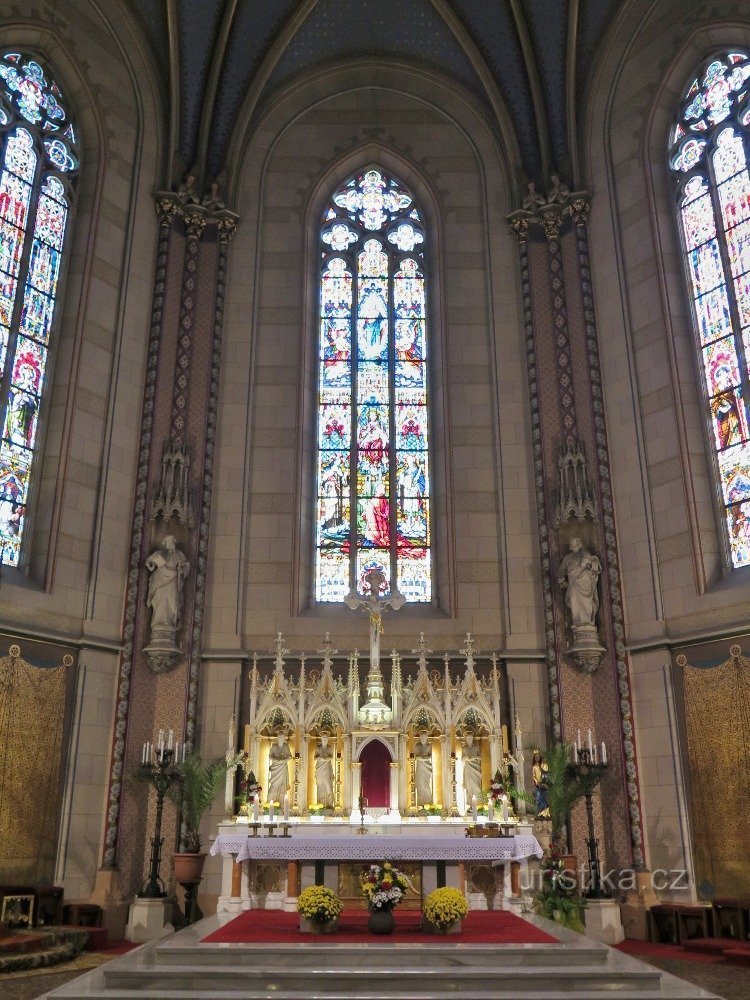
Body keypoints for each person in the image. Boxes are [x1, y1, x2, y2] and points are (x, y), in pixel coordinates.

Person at [145, 534, 189, 634]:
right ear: (165, 543)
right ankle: (158, 623)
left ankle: (170, 623)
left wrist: (181, 570)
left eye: (173, 541)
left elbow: (186, 565)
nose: (172, 543)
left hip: (173, 579)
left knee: (172, 601)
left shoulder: (179, 554)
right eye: (169, 541)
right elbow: (148, 561)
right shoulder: (160, 553)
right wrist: (151, 562)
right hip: (160, 579)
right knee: (160, 600)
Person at [557, 537, 602, 628]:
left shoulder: (586, 554)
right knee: (574, 602)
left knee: (587, 602)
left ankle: (588, 622)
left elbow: (593, 568)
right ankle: (577, 622)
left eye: (575, 545)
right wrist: (561, 579)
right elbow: (561, 570)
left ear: (579, 544)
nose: (574, 547)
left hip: (585, 582)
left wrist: (588, 566)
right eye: (572, 546)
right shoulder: (567, 558)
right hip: (573, 583)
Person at [267, 731, 292, 804]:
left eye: (282, 737)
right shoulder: (274, 746)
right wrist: (275, 759)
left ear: (284, 738)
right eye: (280, 737)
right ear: (277, 738)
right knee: (274, 785)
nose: (281, 738)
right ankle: (270, 802)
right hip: (275, 767)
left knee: (282, 785)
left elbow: (289, 756)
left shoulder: (286, 746)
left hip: (283, 767)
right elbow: (270, 755)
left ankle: (282, 803)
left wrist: (282, 760)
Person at [314, 731, 335, 808]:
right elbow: (315, 757)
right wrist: (319, 758)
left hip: (326, 768)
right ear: (321, 738)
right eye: (324, 738)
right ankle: (320, 804)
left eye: (326, 738)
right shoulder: (318, 748)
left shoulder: (329, 747)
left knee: (328, 784)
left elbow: (331, 757)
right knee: (320, 785)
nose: (325, 739)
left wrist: (325, 758)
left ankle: (330, 803)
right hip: (320, 768)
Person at [461, 731, 482, 806]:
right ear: (466, 739)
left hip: (475, 768)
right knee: (469, 785)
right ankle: (470, 803)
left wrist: (475, 757)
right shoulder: (464, 748)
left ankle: (478, 802)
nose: (469, 740)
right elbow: (462, 759)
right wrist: (465, 758)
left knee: (476, 784)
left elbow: (480, 757)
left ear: (472, 739)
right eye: (468, 739)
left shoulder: (476, 747)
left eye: (470, 738)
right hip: (468, 768)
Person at [413, 730, 433, 805]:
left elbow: (430, 756)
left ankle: (428, 802)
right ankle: (421, 803)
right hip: (420, 767)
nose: (423, 739)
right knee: (420, 783)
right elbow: (416, 757)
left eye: (425, 738)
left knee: (426, 784)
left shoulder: (429, 746)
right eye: (422, 738)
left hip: (427, 766)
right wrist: (423, 757)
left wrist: (422, 758)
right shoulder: (417, 746)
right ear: (420, 738)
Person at [532, 751, 550, 818]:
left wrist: (545, 783)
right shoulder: (534, 767)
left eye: (538, 757)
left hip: (545, 785)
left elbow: (546, 773)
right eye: (535, 757)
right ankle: (540, 813)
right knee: (539, 799)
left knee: (545, 799)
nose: (537, 758)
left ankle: (546, 814)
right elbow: (534, 776)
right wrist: (538, 783)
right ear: (534, 758)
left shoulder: (544, 765)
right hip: (539, 786)